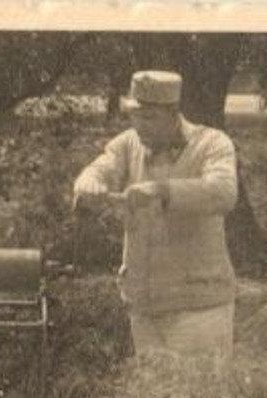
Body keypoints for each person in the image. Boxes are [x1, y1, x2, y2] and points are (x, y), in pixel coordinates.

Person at [73, 69, 238, 361]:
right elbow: (102, 166)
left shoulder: (212, 143)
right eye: (134, 115)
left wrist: (162, 190)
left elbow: (223, 192)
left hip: (199, 307)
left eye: (148, 117)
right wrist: (89, 181)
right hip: (144, 306)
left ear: (173, 113)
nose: (139, 125)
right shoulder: (128, 143)